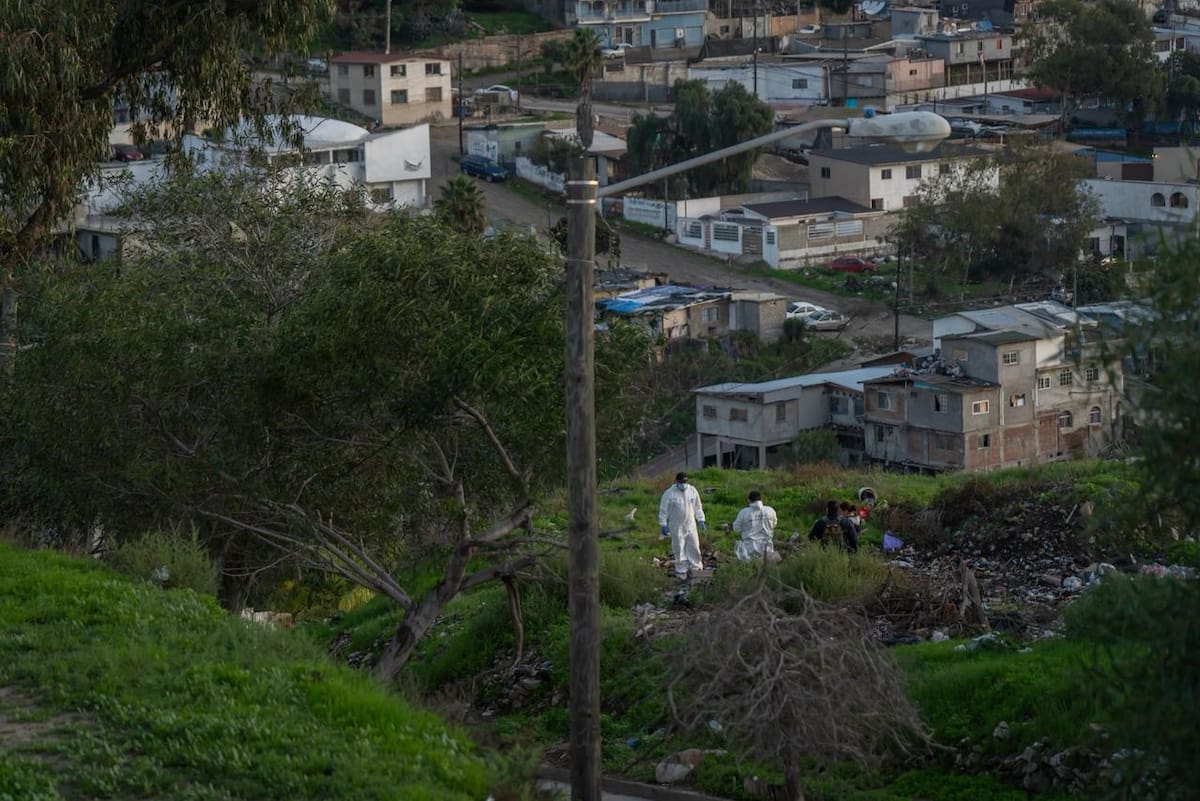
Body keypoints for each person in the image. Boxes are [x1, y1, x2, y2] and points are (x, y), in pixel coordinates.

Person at [658, 472, 706, 580]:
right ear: (676, 482)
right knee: (679, 548)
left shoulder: (692, 491)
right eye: (681, 482)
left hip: (691, 525)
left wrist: (701, 520)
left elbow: (698, 506)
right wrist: (663, 524)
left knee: (694, 547)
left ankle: (696, 570)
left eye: (685, 482)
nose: (683, 484)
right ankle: (681, 573)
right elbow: (663, 510)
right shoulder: (669, 493)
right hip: (676, 526)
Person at [733, 490, 780, 563]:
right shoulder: (770, 510)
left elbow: (736, 528)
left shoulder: (744, 512)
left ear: (749, 500)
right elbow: (774, 524)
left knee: (751, 570)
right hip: (768, 549)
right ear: (761, 499)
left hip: (749, 550)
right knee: (767, 570)